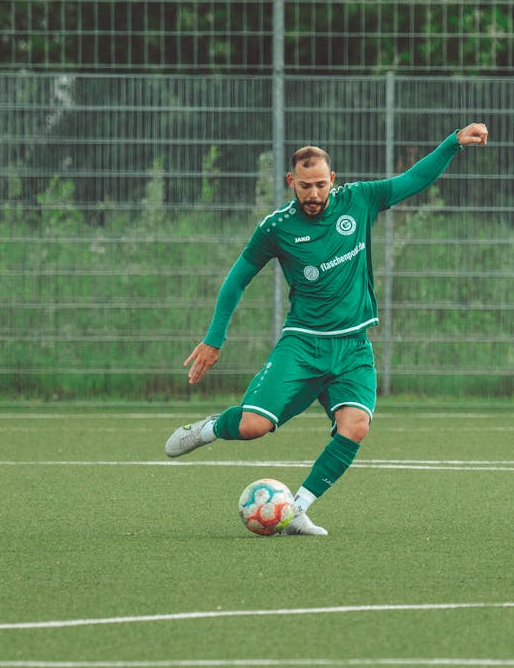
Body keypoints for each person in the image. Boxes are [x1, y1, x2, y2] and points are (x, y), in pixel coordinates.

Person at [164, 123, 490, 535]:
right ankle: (209, 428)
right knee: (252, 427)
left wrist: (452, 143)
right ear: (291, 182)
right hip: (303, 344)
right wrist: (214, 339)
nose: (314, 194)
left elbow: (412, 180)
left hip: (353, 347)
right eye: (305, 186)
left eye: (320, 184)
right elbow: (237, 279)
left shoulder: (360, 200)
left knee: (356, 427)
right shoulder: (276, 227)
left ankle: (296, 508)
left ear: (332, 180)